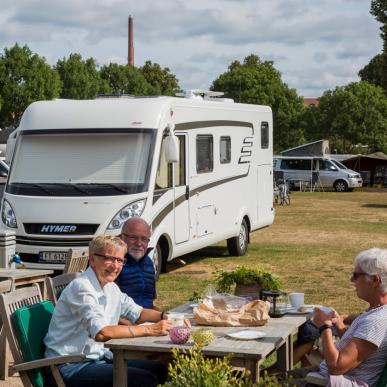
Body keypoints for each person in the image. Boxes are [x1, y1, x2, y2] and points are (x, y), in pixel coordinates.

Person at [44, 234, 173, 387]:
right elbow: (102, 333)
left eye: (120, 260)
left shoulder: (110, 287)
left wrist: (166, 317)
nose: (115, 266)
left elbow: (137, 313)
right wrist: (151, 330)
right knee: (143, 379)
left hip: (99, 358)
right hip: (68, 366)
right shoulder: (82, 287)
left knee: (160, 368)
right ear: (92, 260)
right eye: (109, 259)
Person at [291, 247, 387, 386]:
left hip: (328, 382)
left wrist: (325, 327)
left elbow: (337, 367)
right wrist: (339, 323)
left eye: (356, 275)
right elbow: (356, 345)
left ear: (375, 280)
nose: (351, 280)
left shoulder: (375, 321)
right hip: (324, 375)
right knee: (273, 377)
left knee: (267, 382)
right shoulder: (376, 311)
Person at [116, 217, 157, 309]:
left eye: (144, 239)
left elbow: (150, 301)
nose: (139, 243)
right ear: (122, 237)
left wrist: (163, 316)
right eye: (133, 237)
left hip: (146, 318)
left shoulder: (148, 263)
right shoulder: (114, 262)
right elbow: (108, 307)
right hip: (123, 320)